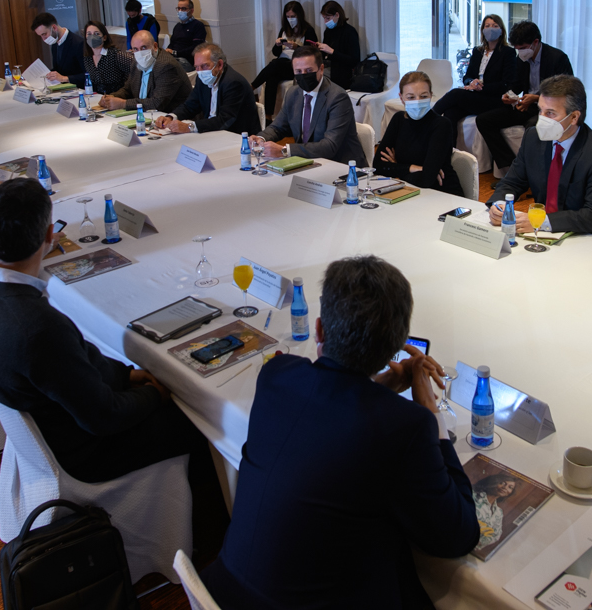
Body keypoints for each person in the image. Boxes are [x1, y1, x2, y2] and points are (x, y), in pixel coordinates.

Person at [0, 178, 228, 554]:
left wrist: (126, 375)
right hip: (83, 450)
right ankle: (209, 546)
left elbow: (72, 362)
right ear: (50, 235)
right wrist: (155, 393)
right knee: (200, 422)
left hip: (49, 420)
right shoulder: (35, 325)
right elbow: (104, 417)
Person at [200, 255, 479, 608]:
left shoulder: (278, 375)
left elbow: (331, 412)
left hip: (224, 595)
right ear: (394, 345)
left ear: (318, 330)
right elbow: (458, 535)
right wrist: (430, 412)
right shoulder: (406, 427)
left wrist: (379, 387)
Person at [489, 75, 592, 241]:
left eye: (551, 113)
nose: (542, 119)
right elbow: (512, 181)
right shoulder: (533, 137)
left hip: (591, 238)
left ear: (574, 117)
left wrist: (540, 222)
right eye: (541, 111)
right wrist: (498, 205)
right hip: (548, 236)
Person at [474, 20, 574, 174]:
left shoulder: (557, 58)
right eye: (517, 49)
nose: (520, 52)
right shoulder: (522, 58)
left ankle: (535, 174)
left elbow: (564, 92)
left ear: (535, 42)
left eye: (522, 48)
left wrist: (535, 98)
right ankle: (510, 167)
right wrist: (509, 95)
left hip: (550, 110)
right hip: (527, 105)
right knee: (483, 120)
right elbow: (517, 84)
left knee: (533, 127)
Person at [252, 46, 366, 166]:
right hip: (308, 162)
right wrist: (260, 139)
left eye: (308, 70)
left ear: (321, 69)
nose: (303, 75)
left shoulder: (337, 97)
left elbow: (329, 146)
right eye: (299, 72)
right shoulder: (293, 93)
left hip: (342, 166)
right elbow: (277, 127)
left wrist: (285, 150)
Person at [374, 70, 463, 196]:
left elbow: (427, 179)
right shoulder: (398, 120)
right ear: (401, 98)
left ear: (431, 95)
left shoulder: (441, 124)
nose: (417, 101)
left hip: (441, 193)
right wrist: (413, 168)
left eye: (423, 96)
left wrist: (397, 167)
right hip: (408, 192)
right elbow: (378, 166)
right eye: (411, 97)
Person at [155, 42, 261, 136]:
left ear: (219, 64)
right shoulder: (202, 79)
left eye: (205, 66)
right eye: (197, 67)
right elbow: (189, 106)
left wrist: (189, 127)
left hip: (236, 136)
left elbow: (225, 120)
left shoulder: (233, 83)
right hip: (212, 132)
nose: (200, 71)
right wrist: (171, 117)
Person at [432, 14, 516, 127]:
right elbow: (467, 77)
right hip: (476, 97)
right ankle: (449, 145)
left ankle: (428, 119)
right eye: (487, 26)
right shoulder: (477, 51)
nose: (490, 28)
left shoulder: (508, 53)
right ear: (482, 30)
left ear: (501, 31)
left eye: (495, 26)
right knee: (450, 113)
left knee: (455, 93)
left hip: (494, 100)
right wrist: (471, 82)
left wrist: (481, 87)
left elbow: (506, 83)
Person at [99, 29, 191, 113]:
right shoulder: (136, 61)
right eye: (135, 49)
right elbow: (128, 89)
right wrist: (111, 98)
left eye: (143, 48)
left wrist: (122, 103)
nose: (140, 53)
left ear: (155, 46)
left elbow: (157, 103)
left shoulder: (166, 66)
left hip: (172, 118)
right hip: (145, 115)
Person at [250, 1, 317, 117]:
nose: (290, 19)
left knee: (275, 64)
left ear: (299, 16)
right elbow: (276, 53)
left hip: (297, 66)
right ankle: (268, 116)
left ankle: (252, 86)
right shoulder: (285, 30)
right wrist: (277, 45)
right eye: (288, 17)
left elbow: (312, 53)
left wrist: (297, 47)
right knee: (272, 77)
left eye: (293, 16)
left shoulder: (308, 31)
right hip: (282, 63)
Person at [30, 13, 85, 86]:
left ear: (54, 28)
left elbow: (89, 75)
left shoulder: (79, 43)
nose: (43, 39)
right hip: (65, 89)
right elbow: (58, 69)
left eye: (44, 34)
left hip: (80, 89)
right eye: (41, 36)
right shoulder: (55, 43)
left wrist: (64, 78)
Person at [317, 0, 361, 89]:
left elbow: (354, 60)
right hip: (330, 67)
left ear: (337, 15)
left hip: (344, 71)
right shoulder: (328, 32)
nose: (325, 21)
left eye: (328, 18)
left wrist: (332, 51)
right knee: (306, 75)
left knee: (313, 77)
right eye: (324, 18)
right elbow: (324, 55)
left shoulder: (349, 31)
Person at [80, 20, 129, 95]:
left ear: (104, 37)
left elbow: (134, 69)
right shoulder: (87, 57)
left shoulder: (115, 54)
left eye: (96, 34)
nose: (92, 37)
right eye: (89, 34)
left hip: (117, 97)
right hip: (98, 98)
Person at [168, 0, 206, 70]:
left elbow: (196, 47)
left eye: (184, 9)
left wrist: (176, 52)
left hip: (188, 60)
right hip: (174, 58)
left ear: (191, 10)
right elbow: (172, 43)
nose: (180, 11)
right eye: (179, 8)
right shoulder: (177, 26)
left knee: (167, 68)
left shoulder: (198, 25)